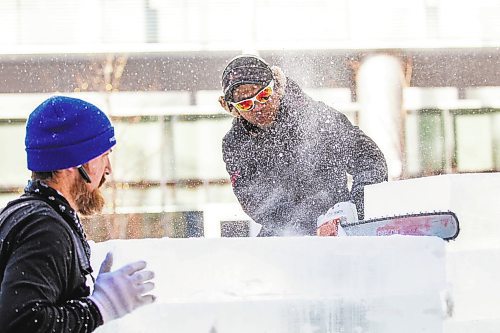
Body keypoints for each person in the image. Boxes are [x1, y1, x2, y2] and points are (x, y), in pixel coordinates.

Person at [0, 96, 156, 332]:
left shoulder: (24, 213)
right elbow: (21, 323)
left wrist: (88, 304)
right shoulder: (45, 228)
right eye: (103, 155)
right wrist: (99, 307)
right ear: (73, 162)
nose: (108, 169)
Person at [219, 55, 388, 236]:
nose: (258, 108)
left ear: (276, 88)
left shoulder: (317, 118)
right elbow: (255, 201)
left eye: (263, 95)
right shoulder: (236, 144)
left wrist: (354, 208)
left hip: (339, 223)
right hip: (284, 230)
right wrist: (306, 225)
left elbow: (370, 159)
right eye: (246, 104)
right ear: (235, 109)